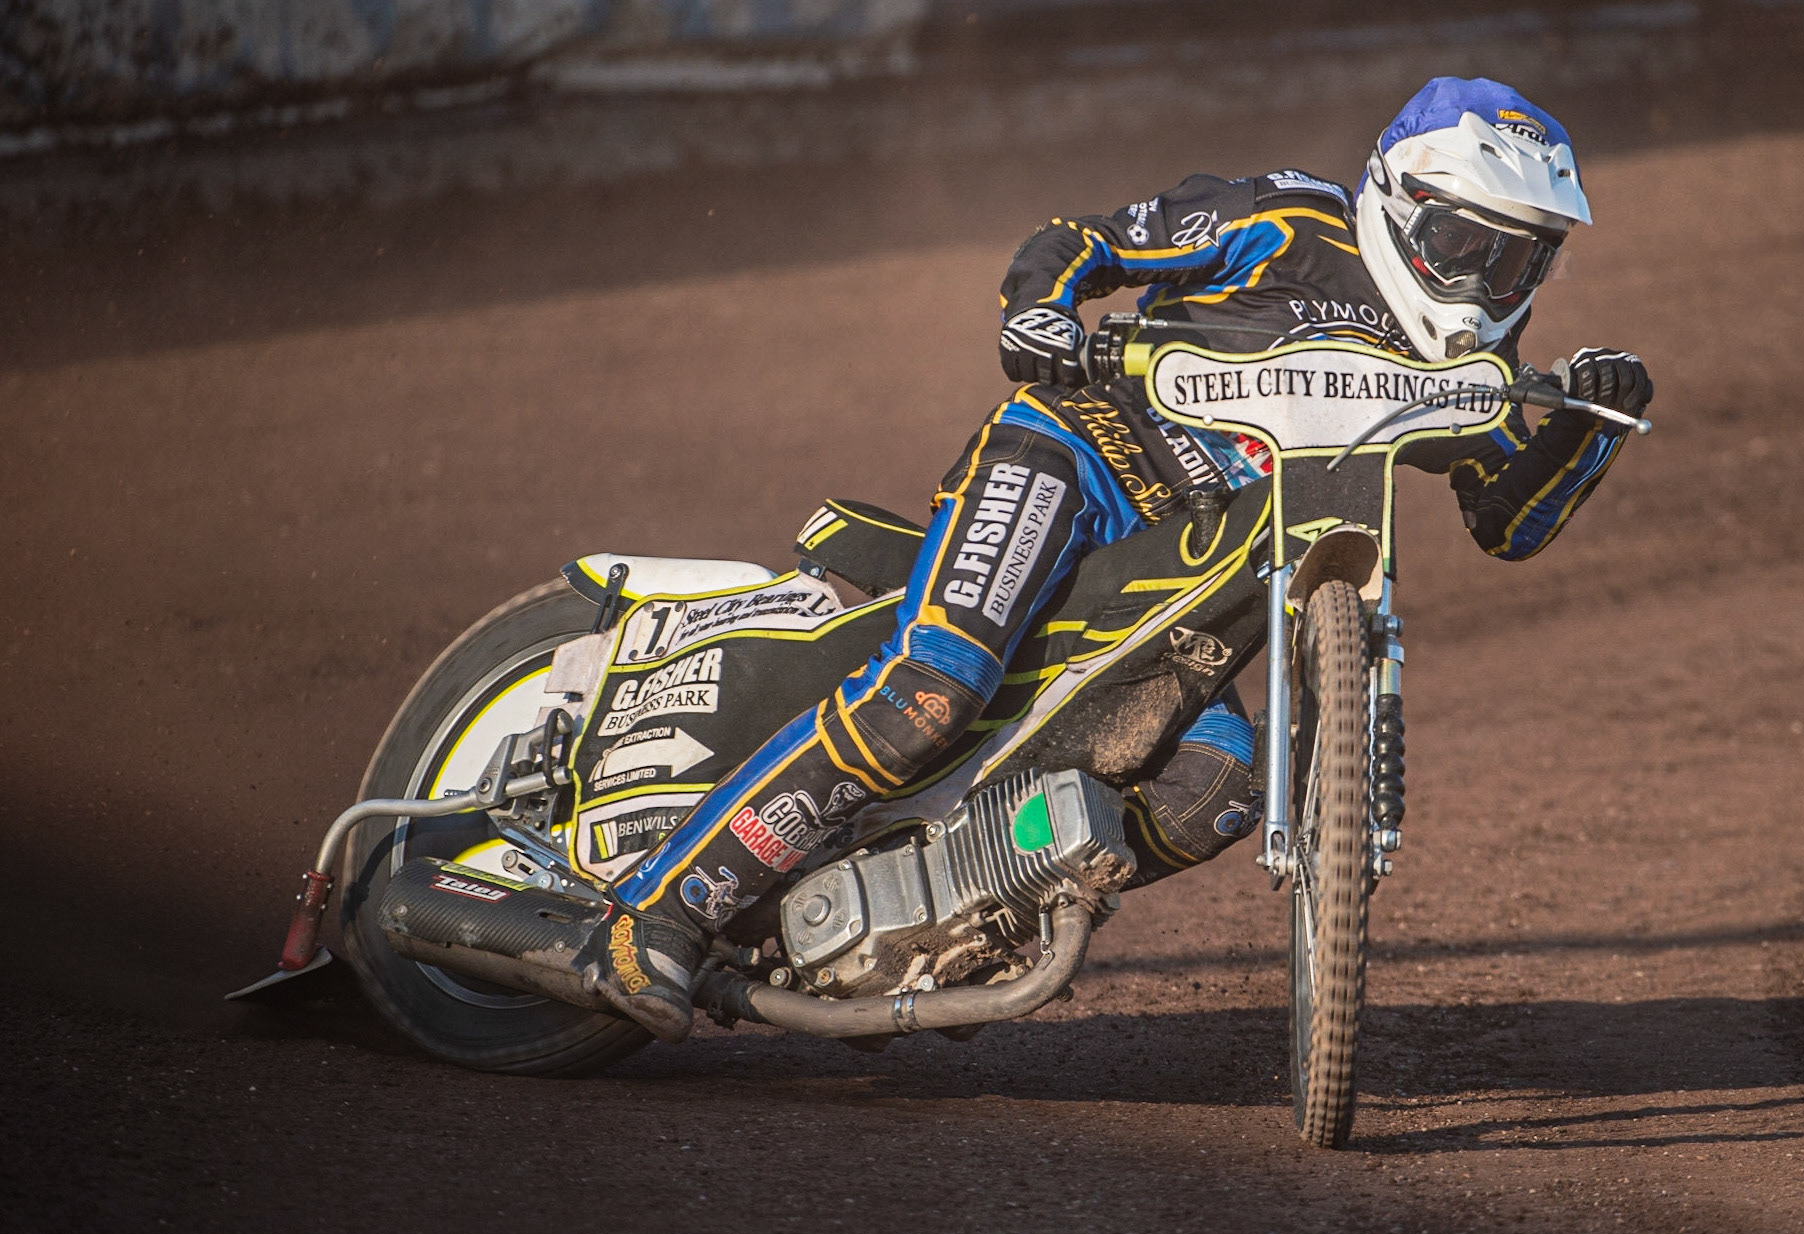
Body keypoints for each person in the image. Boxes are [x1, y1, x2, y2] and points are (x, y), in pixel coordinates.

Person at [581, 76, 1655, 1042]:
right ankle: (654, 918)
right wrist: (1034, 316)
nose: (1490, 279)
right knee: (931, 690)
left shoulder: (1473, 365)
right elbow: (1082, 240)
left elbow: (1506, 521)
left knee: (1219, 786)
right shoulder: (1283, 218)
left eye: (1523, 257)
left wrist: (1588, 427)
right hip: (1072, 457)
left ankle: (970, 914)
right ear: (1401, 201)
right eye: (1473, 245)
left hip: (1184, 579)